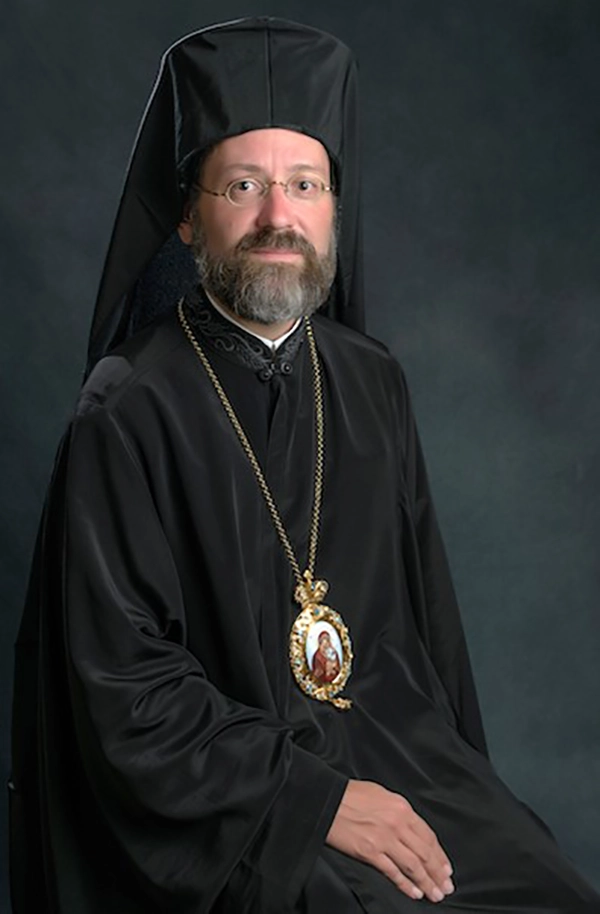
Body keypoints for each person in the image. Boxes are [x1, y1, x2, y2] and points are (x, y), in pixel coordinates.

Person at [10, 16, 599, 914]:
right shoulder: (126, 409)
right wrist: (314, 798)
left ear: (333, 208)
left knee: (550, 890)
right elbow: (124, 692)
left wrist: (468, 791)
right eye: (245, 185)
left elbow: (431, 640)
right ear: (187, 215)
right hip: (237, 814)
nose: (278, 218)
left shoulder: (372, 381)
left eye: (304, 185)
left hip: (400, 765)